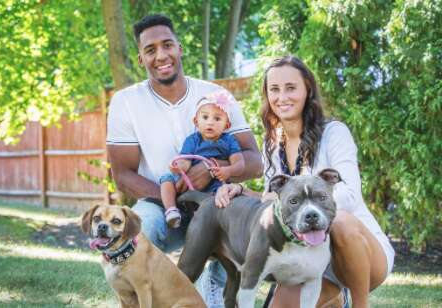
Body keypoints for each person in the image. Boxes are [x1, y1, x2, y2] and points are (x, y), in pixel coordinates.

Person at [106, 14, 263, 307]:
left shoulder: (215, 96)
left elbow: (255, 161)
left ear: (179, 48)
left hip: (218, 203)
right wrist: (174, 200)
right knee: (138, 231)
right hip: (160, 203)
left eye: (167, 45)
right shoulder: (125, 102)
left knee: (242, 219)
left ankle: (215, 289)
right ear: (140, 59)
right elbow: (123, 175)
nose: (161, 55)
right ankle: (143, 300)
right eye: (150, 50)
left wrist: (216, 172)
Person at [215, 55, 395, 308]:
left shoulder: (334, 133)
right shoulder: (272, 142)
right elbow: (274, 199)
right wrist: (242, 191)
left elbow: (350, 196)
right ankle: (335, 298)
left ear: (307, 89)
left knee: (340, 220)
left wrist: (310, 204)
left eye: (291, 88)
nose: (282, 97)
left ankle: (358, 303)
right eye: (274, 89)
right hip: (307, 257)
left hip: (358, 253)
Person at [160, 91, 245, 228]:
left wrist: (228, 171)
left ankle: (218, 220)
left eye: (217, 119)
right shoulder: (193, 140)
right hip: (189, 181)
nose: (210, 122)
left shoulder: (229, 140)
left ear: (227, 125)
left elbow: (240, 163)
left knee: (224, 195)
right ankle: (171, 210)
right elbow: (186, 161)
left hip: (216, 182)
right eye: (205, 117)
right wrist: (177, 166)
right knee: (166, 178)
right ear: (196, 121)